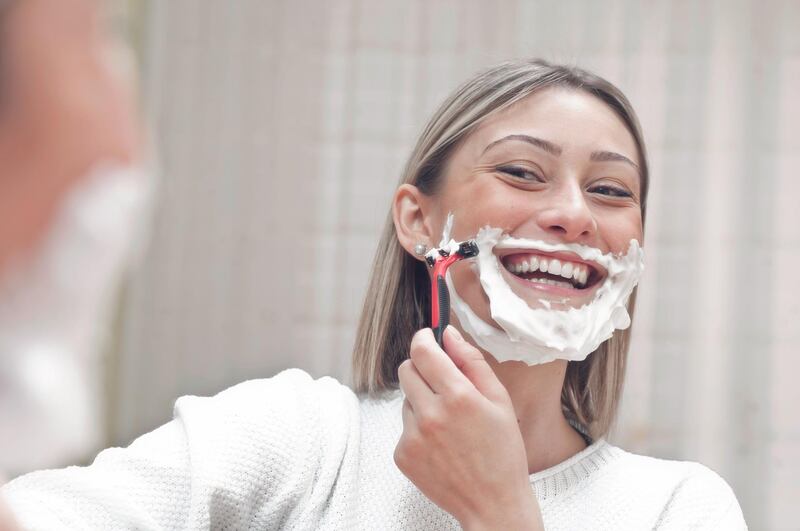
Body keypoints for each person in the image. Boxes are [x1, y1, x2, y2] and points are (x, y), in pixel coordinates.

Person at [2, 59, 746, 530]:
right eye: (522, 172)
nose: (575, 215)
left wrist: (501, 510)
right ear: (419, 221)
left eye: (611, 190)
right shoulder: (300, 438)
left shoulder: (679, 508)